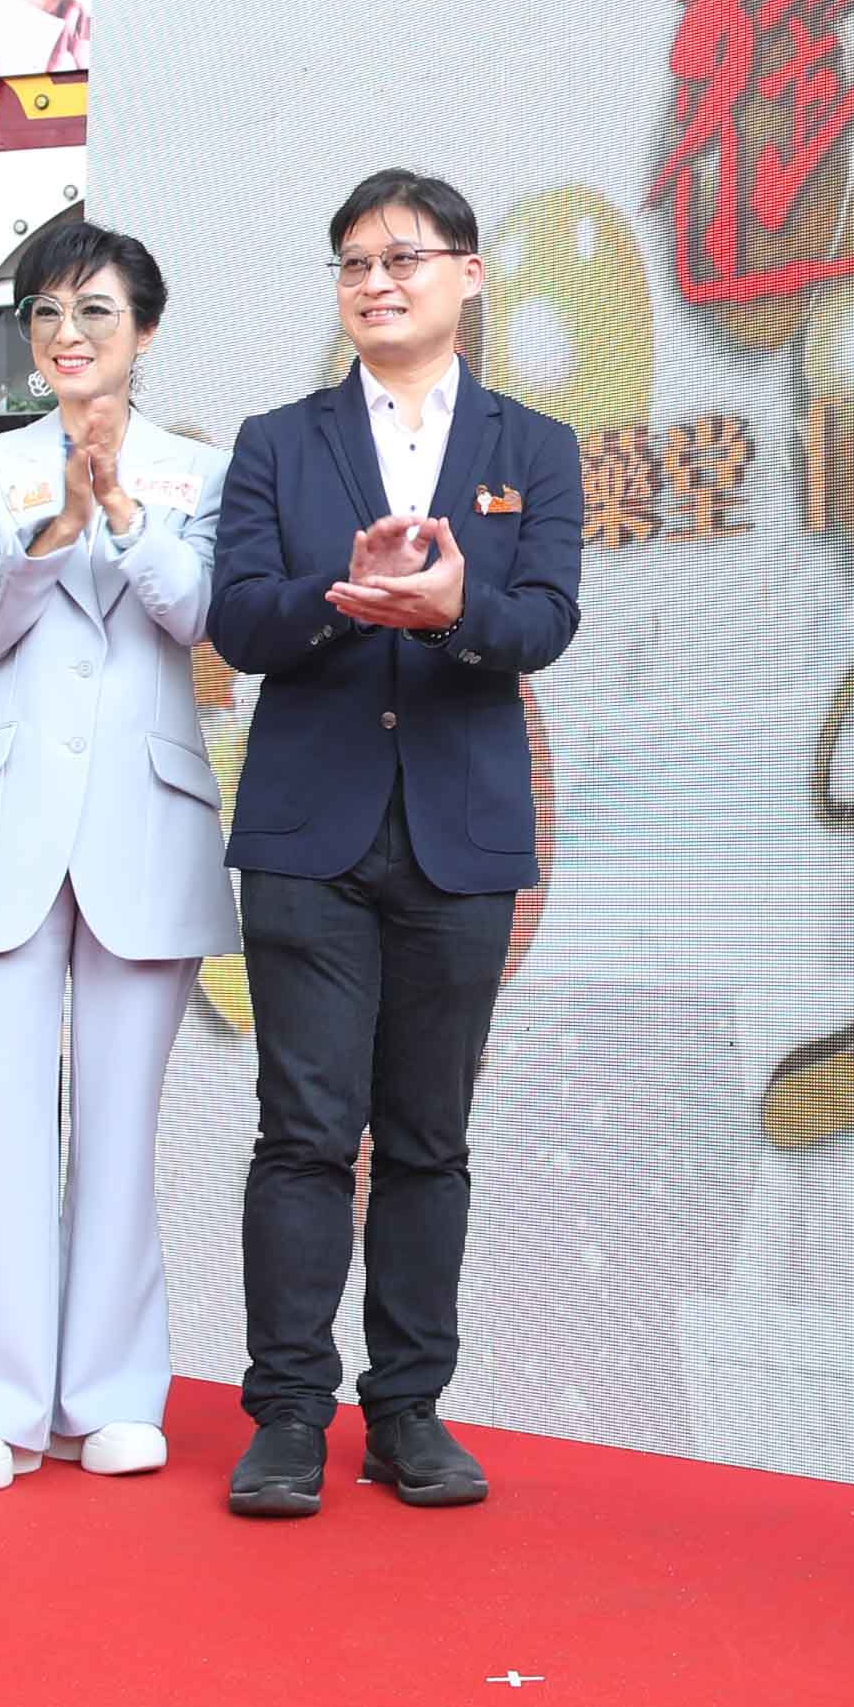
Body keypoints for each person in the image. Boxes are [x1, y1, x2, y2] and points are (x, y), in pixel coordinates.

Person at [208, 170, 582, 1519]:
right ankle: (287, 1416)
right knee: (305, 1132)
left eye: (404, 257)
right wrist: (346, 594)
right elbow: (241, 621)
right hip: (310, 832)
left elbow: (546, 622)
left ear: (469, 274)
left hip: (458, 835)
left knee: (428, 1136)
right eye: (354, 262)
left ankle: (408, 1411)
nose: (376, 282)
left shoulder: (534, 444)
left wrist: (455, 611)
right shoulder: (279, 441)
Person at [0, 222, 233, 1492]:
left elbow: (197, 616)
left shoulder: (203, 470)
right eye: (44, 310)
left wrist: (125, 512)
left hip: (148, 815)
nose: (66, 333)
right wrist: (52, 532)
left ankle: (111, 1392)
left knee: (119, 1129)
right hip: (6, 817)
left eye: (94, 309)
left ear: (145, 330)